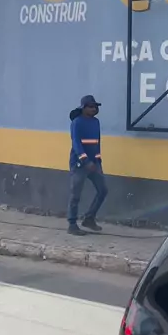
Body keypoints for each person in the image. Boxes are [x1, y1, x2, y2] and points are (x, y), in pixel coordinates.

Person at [68, 94, 108, 235]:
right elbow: (76, 144)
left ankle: (89, 218)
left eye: (95, 107)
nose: (94, 109)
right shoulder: (77, 122)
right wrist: (85, 160)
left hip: (94, 164)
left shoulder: (96, 122)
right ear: (83, 108)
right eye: (90, 106)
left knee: (103, 190)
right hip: (79, 164)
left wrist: (98, 160)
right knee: (75, 195)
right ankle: (72, 224)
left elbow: (97, 143)